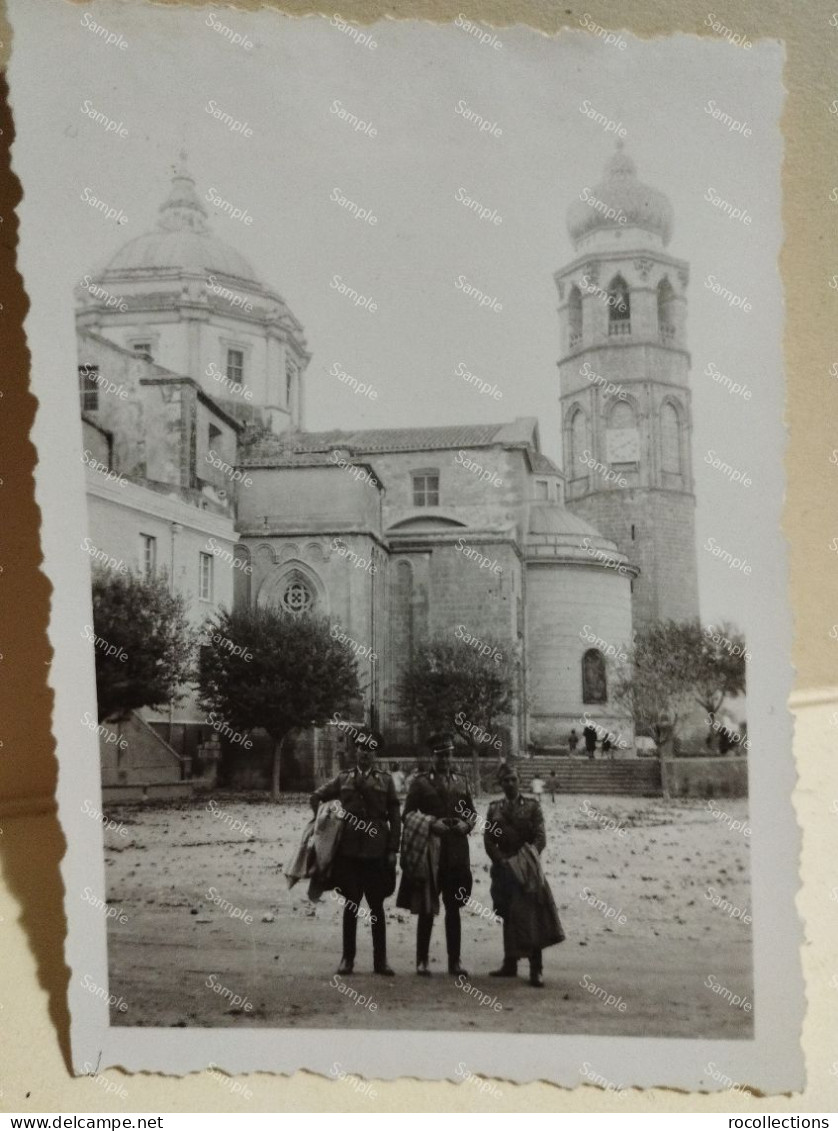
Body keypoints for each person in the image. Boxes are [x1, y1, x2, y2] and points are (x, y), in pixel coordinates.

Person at [310, 727, 400, 976]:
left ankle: (380, 961)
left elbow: (395, 816)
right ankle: (347, 959)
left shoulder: (386, 780)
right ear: (355, 751)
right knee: (351, 905)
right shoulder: (343, 778)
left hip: (376, 852)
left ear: (375, 754)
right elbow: (317, 797)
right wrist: (323, 824)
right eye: (361, 748)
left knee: (376, 907)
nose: (365, 754)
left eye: (370, 750)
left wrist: (393, 849)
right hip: (348, 853)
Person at [397, 732, 476, 977]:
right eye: (440, 756)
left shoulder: (462, 782)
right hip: (431, 852)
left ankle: (454, 961)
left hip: (457, 852)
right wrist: (431, 823)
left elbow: (471, 813)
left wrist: (467, 825)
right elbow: (407, 814)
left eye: (448, 755)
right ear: (433, 757)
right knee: (427, 908)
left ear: (453, 757)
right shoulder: (420, 783)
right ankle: (422, 961)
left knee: (454, 908)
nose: (444, 760)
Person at [485, 764, 564, 987]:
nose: (510, 784)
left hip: (527, 868)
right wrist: (500, 860)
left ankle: (535, 968)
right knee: (507, 914)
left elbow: (540, 837)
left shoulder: (532, 807)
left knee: (532, 917)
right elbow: (489, 839)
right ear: (501, 784)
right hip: (503, 868)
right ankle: (510, 962)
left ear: (520, 781)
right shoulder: (494, 809)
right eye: (505, 780)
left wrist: (526, 858)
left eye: (513, 779)